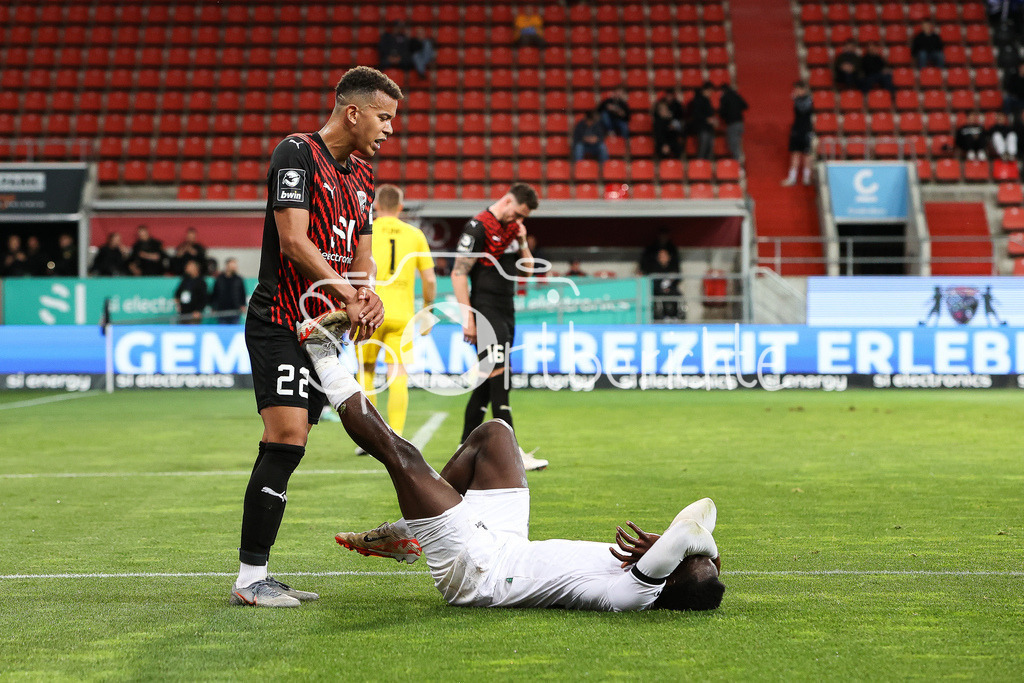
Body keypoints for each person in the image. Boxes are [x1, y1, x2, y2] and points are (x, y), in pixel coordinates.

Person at [230, 66, 399, 608]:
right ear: (353, 112)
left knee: (306, 442)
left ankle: (257, 576)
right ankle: (249, 580)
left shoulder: (364, 175)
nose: (389, 129)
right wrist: (347, 294)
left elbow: (362, 252)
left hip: (325, 330)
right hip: (281, 320)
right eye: (384, 117)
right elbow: (293, 241)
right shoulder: (295, 154)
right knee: (287, 437)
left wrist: (365, 293)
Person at [322, 409, 724, 612]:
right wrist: (707, 557)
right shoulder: (662, 577)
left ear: (666, 581)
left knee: (403, 456)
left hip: (480, 575)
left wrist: (678, 546)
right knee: (496, 434)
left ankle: (323, 355)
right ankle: (408, 532)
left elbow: (689, 532)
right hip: (508, 545)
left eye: (678, 561)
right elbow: (707, 508)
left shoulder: (634, 595)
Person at [451, 184, 547, 471]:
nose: (518, 220)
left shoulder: (512, 232)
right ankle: (512, 451)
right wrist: (468, 318)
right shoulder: (478, 227)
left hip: (507, 310)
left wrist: (524, 241)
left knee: (487, 383)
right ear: (507, 201)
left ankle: (462, 448)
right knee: (501, 378)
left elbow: (528, 273)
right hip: (485, 309)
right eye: (517, 213)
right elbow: (458, 273)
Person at [355, 184, 436, 446]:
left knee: (365, 371)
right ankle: (397, 435)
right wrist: (428, 309)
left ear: (376, 206)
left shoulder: (364, 231)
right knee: (398, 373)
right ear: (401, 207)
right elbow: (430, 279)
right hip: (402, 315)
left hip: (368, 309)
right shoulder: (415, 234)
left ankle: (369, 439)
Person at [782, 81, 814, 187]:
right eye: (795, 89)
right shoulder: (797, 100)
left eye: (798, 89)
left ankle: (806, 178)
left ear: (804, 89)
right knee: (795, 154)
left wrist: (795, 99)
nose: (796, 91)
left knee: (807, 155)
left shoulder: (809, 100)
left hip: (806, 130)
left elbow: (803, 109)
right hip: (797, 130)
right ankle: (792, 178)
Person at [210, 257, 248, 323]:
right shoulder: (219, 279)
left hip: (235, 310)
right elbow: (215, 293)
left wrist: (243, 305)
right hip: (221, 310)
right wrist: (214, 306)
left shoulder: (239, 279)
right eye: (232, 265)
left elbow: (242, 293)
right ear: (227, 266)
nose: (235, 267)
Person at [649, 248, 682, 321]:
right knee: (661, 295)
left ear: (669, 257)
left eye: (664, 256)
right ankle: (664, 315)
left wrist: (670, 285)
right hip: (658, 290)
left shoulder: (673, 267)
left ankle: (674, 315)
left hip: (671, 289)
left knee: (675, 294)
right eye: (661, 256)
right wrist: (661, 288)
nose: (663, 258)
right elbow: (654, 281)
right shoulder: (654, 268)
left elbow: (678, 279)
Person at [717, 83, 748, 161]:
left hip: (732, 123)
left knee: (733, 144)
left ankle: (737, 164)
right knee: (738, 143)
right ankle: (739, 160)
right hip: (740, 123)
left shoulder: (724, 97)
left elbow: (722, 112)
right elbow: (745, 106)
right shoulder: (736, 95)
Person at [687, 82, 716, 160]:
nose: (711, 93)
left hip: (709, 128)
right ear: (705, 90)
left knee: (710, 150)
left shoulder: (707, 100)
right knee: (703, 150)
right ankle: (699, 168)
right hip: (702, 128)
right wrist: (707, 119)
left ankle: (707, 169)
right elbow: (696, 115)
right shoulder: (698, 100)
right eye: (709, 91)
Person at [174, 259, 208, 324]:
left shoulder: (201, 282)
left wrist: (198, 310)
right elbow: (178, 293)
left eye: (189, 266)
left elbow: (204, 298)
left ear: (195, 268)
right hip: (183, 313)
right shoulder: (185, 280)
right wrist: (178, 304)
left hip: (194, 313)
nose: (187, 268)